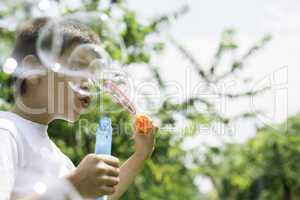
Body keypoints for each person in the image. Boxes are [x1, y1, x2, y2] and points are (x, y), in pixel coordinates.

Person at [0, 17, 157, 200]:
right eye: (78, 66)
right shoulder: (6, 132)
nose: (90, 82)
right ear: (34, 69)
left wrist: (140, 155)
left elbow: (97, 198)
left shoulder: (61, 161)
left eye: (93, 73)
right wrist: (73, 186)